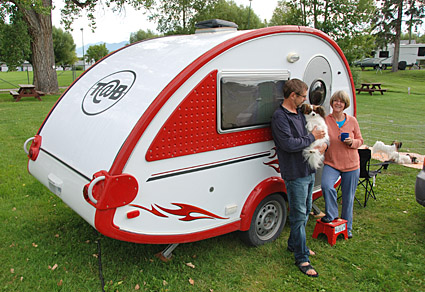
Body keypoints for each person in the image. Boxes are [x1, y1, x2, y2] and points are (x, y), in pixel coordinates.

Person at [271, 79, 326, 278]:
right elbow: (289, 144)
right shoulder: (280, 117)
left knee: (305, 210)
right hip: (295, 173)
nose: (305, 100)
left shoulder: (299, 113)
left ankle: (294, 244)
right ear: (292, 96)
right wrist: (312, 137)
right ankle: (302, 258)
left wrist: (321, 143)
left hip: (308, 169)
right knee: (299, 215)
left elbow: (307, 138)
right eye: (303, 96)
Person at [320, 90, 364, 239]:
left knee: (348, 198)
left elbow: (360, 140)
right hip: (332, 163)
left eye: (341, 101)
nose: (338, 103)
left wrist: (353, 143)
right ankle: (332, 215)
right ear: (332, 103)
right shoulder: (326, 120)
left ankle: (347, 227)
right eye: (336, 101)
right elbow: (321, 138)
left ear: (345, 105)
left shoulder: (352, 121)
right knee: (326, 186)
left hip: (352, 165)